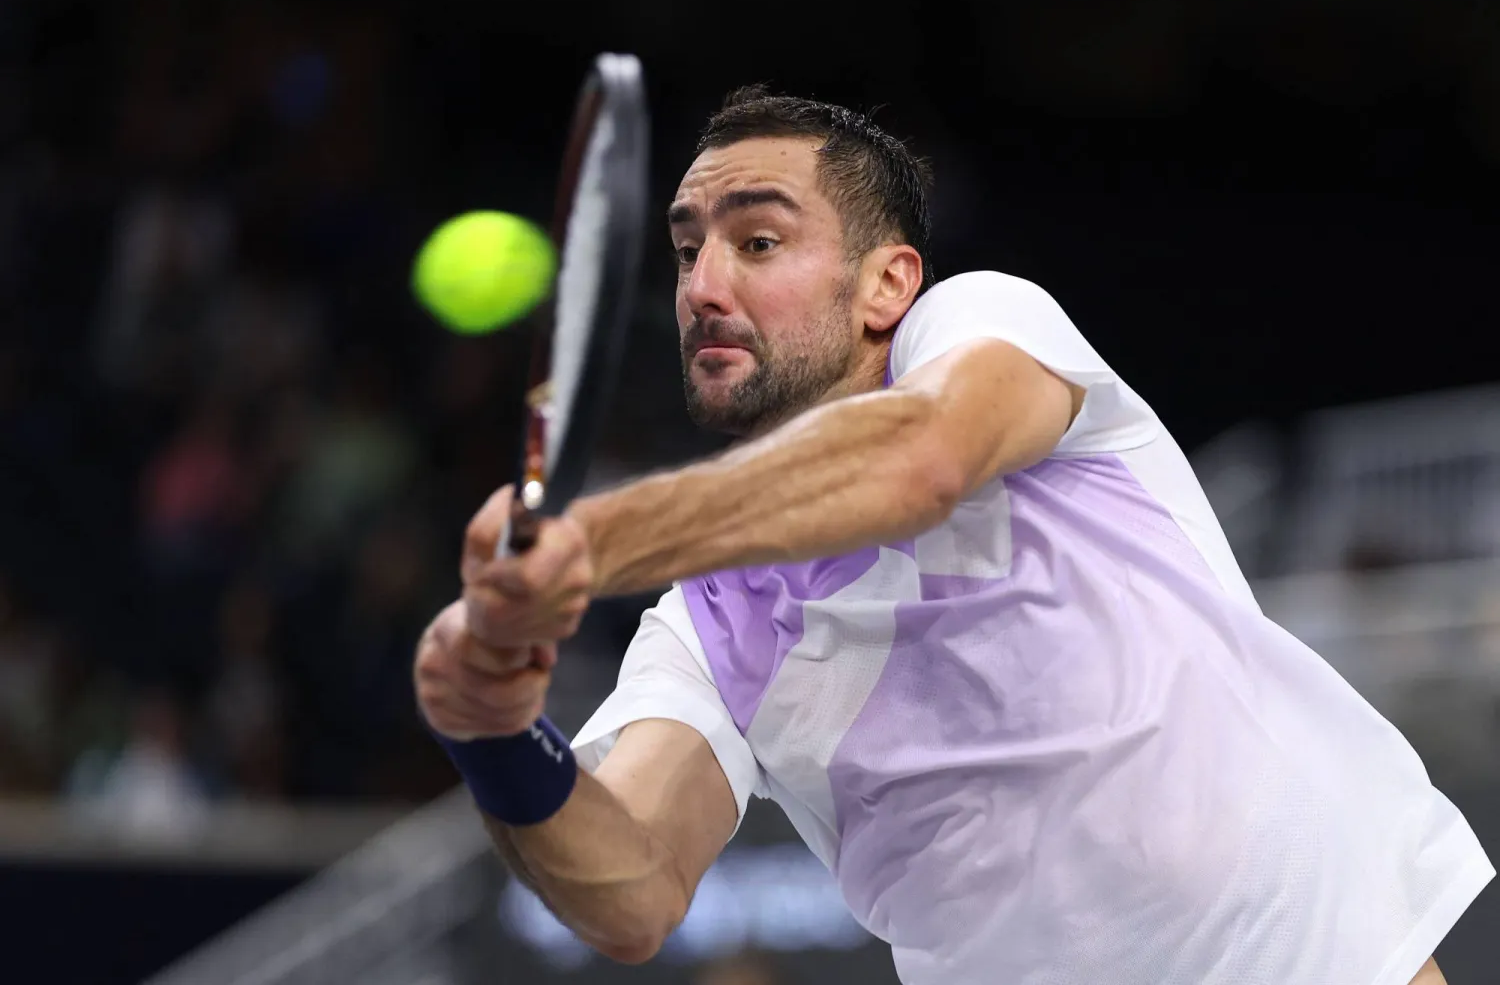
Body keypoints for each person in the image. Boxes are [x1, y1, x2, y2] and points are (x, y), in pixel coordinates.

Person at [414, 86, 1493, 985]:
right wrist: (499, 739)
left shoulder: (983, 328)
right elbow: (633, 890)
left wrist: (591, 539)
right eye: (688, 250)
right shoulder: (707, 620)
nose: (704, 285)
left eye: (757, 240)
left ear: (889, 283)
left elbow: (918, 461)